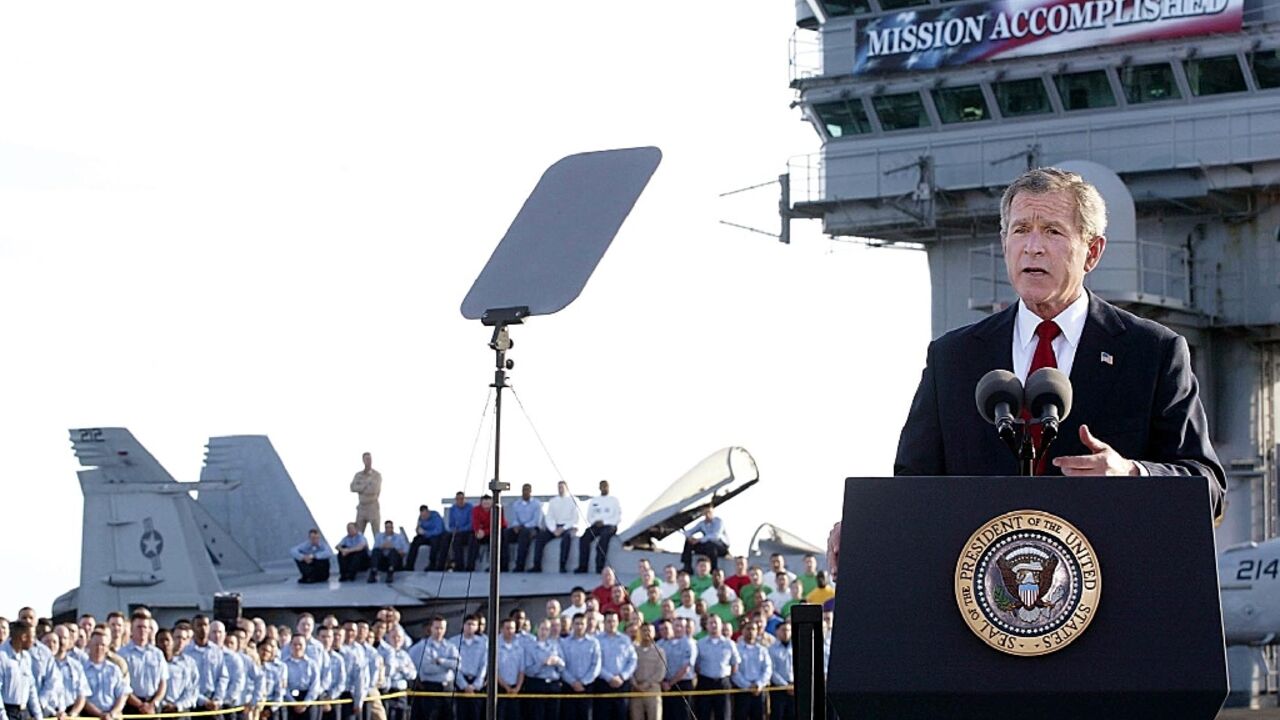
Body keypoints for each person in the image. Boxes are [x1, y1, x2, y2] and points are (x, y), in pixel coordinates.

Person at [884, 167, 1225, 563]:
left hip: (1111, 597)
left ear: (1092, 252)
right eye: (1019, 230)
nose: (1032, 247)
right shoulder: (953, 358)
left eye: (1052, 231)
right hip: (982, 598)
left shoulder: (1153, 352)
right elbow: (910, 486)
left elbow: (1209, 489)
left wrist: (1133, 475)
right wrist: (865, 526)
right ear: (1004, 242)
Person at [118, 609, 169, 716]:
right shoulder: (122, 654)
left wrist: (153, 704)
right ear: (132, 629)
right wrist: (140, 705)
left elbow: (163, 682)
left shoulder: (157, 654)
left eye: (145, 627)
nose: (142, 630)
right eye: (139, 627)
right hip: (131, 706)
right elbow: (121, 684)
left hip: (154, 706)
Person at [594, 612, 636, 720]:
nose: (611, 624)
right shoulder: (596, 640)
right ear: (604, 623)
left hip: (622, 684)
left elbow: (633, 660)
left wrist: (622, 676)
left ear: (618, 623)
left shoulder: (625, 639)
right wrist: (609, 678)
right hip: (603, 684)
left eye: (614, 621)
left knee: (621, 715)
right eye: (608, 621)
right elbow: (595, 662)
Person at [694, 616, 738, 720]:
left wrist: (726, 677)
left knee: (724, 715)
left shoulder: (729, 644)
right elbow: (696, 665)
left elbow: (735, 664)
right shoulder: (700, 643)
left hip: (723, 683)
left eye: (716, 623)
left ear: (721, 625)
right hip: (705, 682)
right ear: (706, 626)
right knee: (704, 714)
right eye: (711, 623)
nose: (713, 625)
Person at [560, 614, 601, 720]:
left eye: (582, 624)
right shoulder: (564, 643)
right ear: (572, 625)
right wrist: (572, 682)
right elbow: (561, 666)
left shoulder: (593, 643)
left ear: (586, 625)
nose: (579, 626)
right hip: (569, 687)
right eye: (577, 624)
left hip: (587, 687)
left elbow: (596, 665)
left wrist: (583, 682)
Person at [81, 629, 128, 720]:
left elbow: (122, 694)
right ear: (89, 644)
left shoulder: (114, 669)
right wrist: (100, 714)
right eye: (96, 644)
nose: (99, 648)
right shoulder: (82, 670)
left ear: (107, 648)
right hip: (90, 717)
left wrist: (112, 713)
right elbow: (83, 698)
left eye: (103, 645)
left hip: (113, 717)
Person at [522, 619, 565, 720]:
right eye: (541, 629)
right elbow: (528, 670)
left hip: (553, 685)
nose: (543, 632)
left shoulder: (555, 645)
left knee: (553, 715)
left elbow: (563, 665)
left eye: (546, 629)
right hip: (537, 684)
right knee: (537, 715)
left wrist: (557, 661)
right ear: (537, 630)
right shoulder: (530, 647)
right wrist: (543, 663)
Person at [576, 480, 620, 574]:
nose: (604, 488)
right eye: (602, 486)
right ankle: (583, 566)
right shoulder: (594, 500)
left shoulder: (614, 500)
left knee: (603, 539)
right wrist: (595, 522)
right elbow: (589, 516)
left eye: (606, 486)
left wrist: (604, 522)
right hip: (596, 525)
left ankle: (599, 567)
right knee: (585, 538)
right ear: (599, 488)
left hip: (609, 525)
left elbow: (617, 517)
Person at [537, 481, 580, 573]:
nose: (560, 489)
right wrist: (553, 529)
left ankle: (562, 565)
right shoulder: (553, 501)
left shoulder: (573, 500)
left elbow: (574, 519)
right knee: (540, 537)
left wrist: (563, 528)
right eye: (559, 487)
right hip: (554, 528)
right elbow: (549, 517)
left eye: (562, 487)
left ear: (566, 488)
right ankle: (536, 565)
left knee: (566, 538)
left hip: (567, 527)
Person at [731, 622, 771, 720]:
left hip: (759, 690)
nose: (750, 631)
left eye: (753, 629)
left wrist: (759, 684)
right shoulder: (736, 649)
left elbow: (768, 669)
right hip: (742, 691)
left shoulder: (762, 650)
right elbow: (735, 671)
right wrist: (748, 686)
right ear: (742, 631)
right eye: (748, 629)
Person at [453, 616, 487, 720]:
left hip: (476, 684)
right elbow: (453, 665)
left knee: (476, 715)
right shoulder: (453, 642)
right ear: (463, 625)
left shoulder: (484, 643)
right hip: (460, 683)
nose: (470, 627)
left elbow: (484, 664)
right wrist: (463, 685)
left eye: (473, 625)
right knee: (460, 714)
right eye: (468, 624)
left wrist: (476, 685)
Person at [630, 623, 664, 720]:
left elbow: (661, 671)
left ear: (654, 633)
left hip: (653, 689)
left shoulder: (659, 651)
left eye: (649, 630)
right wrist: (635, 683)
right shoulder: (633, 650)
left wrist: (648, 683)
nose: (647, 633)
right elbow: (630, 669)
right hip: (636, 689)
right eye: (644, 630)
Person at [680, 506, 730, 574]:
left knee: (711, 545)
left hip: (721, 546)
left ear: (712, 512)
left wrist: (699, 540)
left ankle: (713, 569)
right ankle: (687, 567)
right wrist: (689, 537)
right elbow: (690, 531)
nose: (707, 515)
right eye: (705, 513)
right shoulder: (702, 523)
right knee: (689, 542)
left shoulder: (719, 521)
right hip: (707, 546)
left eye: (709, 513)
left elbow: (715, 536)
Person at [507, 483, 544, 573]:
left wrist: (523, 526)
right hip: (519, 528)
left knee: (524, 534)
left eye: (527, 490)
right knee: (505, 534)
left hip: (533, 528)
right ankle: (503, 564)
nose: (525, 492)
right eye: (524, 490)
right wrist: (516, 526)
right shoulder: (516, 504)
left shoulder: (537, 504)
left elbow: (536, 521)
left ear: (531, 492)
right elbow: (514, 518)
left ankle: (520, 565)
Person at [494, 620, 524, 720]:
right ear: (501, 629)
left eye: (512, 628)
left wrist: (517, 688)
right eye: (507, 628)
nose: (510, 631)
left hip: (515, 688)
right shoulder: (495, 646)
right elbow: (494, 671)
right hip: (499, 688)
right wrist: (506, 687)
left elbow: (521, 670)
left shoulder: (519, 647)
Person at [471, 495, 508, 572]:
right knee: (472, 538)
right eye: (484, 504)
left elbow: (499, 524)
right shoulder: (476, 510)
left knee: (501, 538)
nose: (486, 506)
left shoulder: (497, 509)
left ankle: (501, 566)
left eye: (488, 503)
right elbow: (475, 522)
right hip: (482, 533)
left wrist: (485, 532)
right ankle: (470, 565)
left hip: (495, 531)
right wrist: (477, 531)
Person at [350, 452, 383, 538]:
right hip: (362, 507)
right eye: (366, 459)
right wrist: (365, 485)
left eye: (370, 459)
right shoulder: (358, 475)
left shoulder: (376, 475)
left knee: (376, 533)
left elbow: (374, 490)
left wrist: (361, 488)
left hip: (373, 505)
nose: (368, 461)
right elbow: (352, 487)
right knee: (358, 533)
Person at [406, 504, 447, 572]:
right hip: (426, 536)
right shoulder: (420, 517)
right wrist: (418, 530)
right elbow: (419, 526)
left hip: (437, 536)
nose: (423, 517)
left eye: (425, 515)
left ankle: (432, 564)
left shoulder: (436, 516)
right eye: (422, 516)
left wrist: (425, 533)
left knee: (435, 542)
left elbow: (439, 530)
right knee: (415, 541)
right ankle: (409, 565)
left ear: (428, 512)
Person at [767, 622, 794, 720]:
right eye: (783, 630)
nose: (786, 633)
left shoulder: (797, 647)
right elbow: (772, 670)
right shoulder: (771, 649)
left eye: (788, 630)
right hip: (778, 688)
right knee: (778, 715)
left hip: (795, 688)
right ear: (777, 632)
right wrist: (785, 685)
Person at [446, 493, 476, 572]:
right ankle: (458, 565)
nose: (460, 501)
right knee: (453, 540)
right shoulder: (453, 509)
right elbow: (451, 524)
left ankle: (470, 566)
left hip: (468, 531)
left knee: (472, 540)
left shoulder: (470, 508)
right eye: (458, 499)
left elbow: (471, 523)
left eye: (462, 499)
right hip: (457, 532)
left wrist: (461, 529)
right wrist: (454, 530)